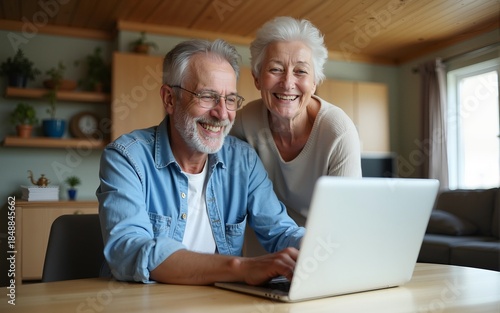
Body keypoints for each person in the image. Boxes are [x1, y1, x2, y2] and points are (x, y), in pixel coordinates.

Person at [96, 39, 304, 285]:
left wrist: (320, 249)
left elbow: (281, 231)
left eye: (230, 100)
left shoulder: (243, 161)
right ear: (170, 99)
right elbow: (129, 251)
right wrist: (241, 267)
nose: (222, 114)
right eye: (207, 96)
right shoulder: (127, 158)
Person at [231, 17, 362, 226]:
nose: (287, 83)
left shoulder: (338, 132)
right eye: (275, 69)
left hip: (318, 252)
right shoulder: (243, 122)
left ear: (315, 82)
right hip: (257, 256)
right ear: (257, 78)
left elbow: (344, 220)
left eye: (300, 71)